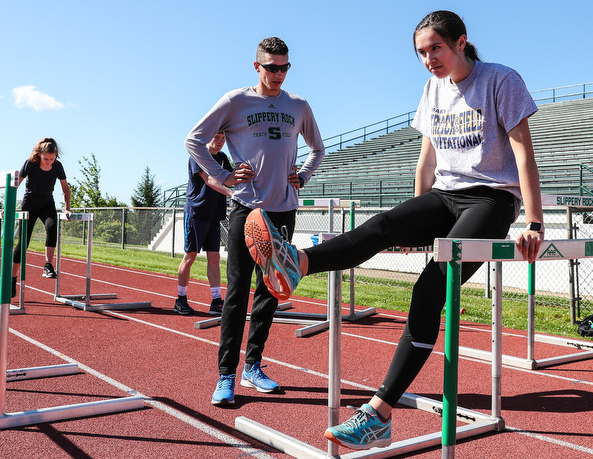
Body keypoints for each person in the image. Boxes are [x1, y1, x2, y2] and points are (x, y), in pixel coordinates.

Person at [245, 10, 545, 450]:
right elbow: (427, 159)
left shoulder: (501, 80)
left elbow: (524, 153)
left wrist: (533, 222)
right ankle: (297, 263)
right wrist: (415, 222)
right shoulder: (432, 88)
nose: (429, 60)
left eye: (435, 49)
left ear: (461, 42)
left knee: (428, 291)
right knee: (384, 223)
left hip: (492, 199)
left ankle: (380, 413)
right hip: (445, 195)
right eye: (421, 53)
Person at [185, 37, 325, 406]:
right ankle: (226, 375)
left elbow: (319, 149)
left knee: (270, 291)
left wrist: (304, 174)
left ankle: (253, 366)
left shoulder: (299, 105)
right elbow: (194, 140)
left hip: (285, 209)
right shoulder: (235, 101)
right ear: (256, 67)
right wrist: (224, 175)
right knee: (236, 295)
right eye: (271, 67)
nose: (278, 74)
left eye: (284, 67)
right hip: (248, 209)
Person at [174, 132, 234, 315]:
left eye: (223, 138)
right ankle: (180, 300)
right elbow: (210, 180)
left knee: (214, 258)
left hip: (214, 215)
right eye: (216, 137)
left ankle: (216, 301)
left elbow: (232, 177)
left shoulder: (223, 158)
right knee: (190, 256)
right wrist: (232, 194)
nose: (220, 141)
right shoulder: (197, 154)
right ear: (208, 137)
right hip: (196, 213)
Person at [10, 138, 71, 298]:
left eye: (52, 159)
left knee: (52, 226)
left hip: (46, 204)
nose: (49, 162)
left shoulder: (57, 166)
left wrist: (67, 208)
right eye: (46, 159)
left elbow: (65, 188)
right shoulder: (30, 163)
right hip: (29, 205)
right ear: (39, 154)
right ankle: (12, 279)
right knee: (23, 244)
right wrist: (8, 206)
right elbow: (16, 184)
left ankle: (48, 265)